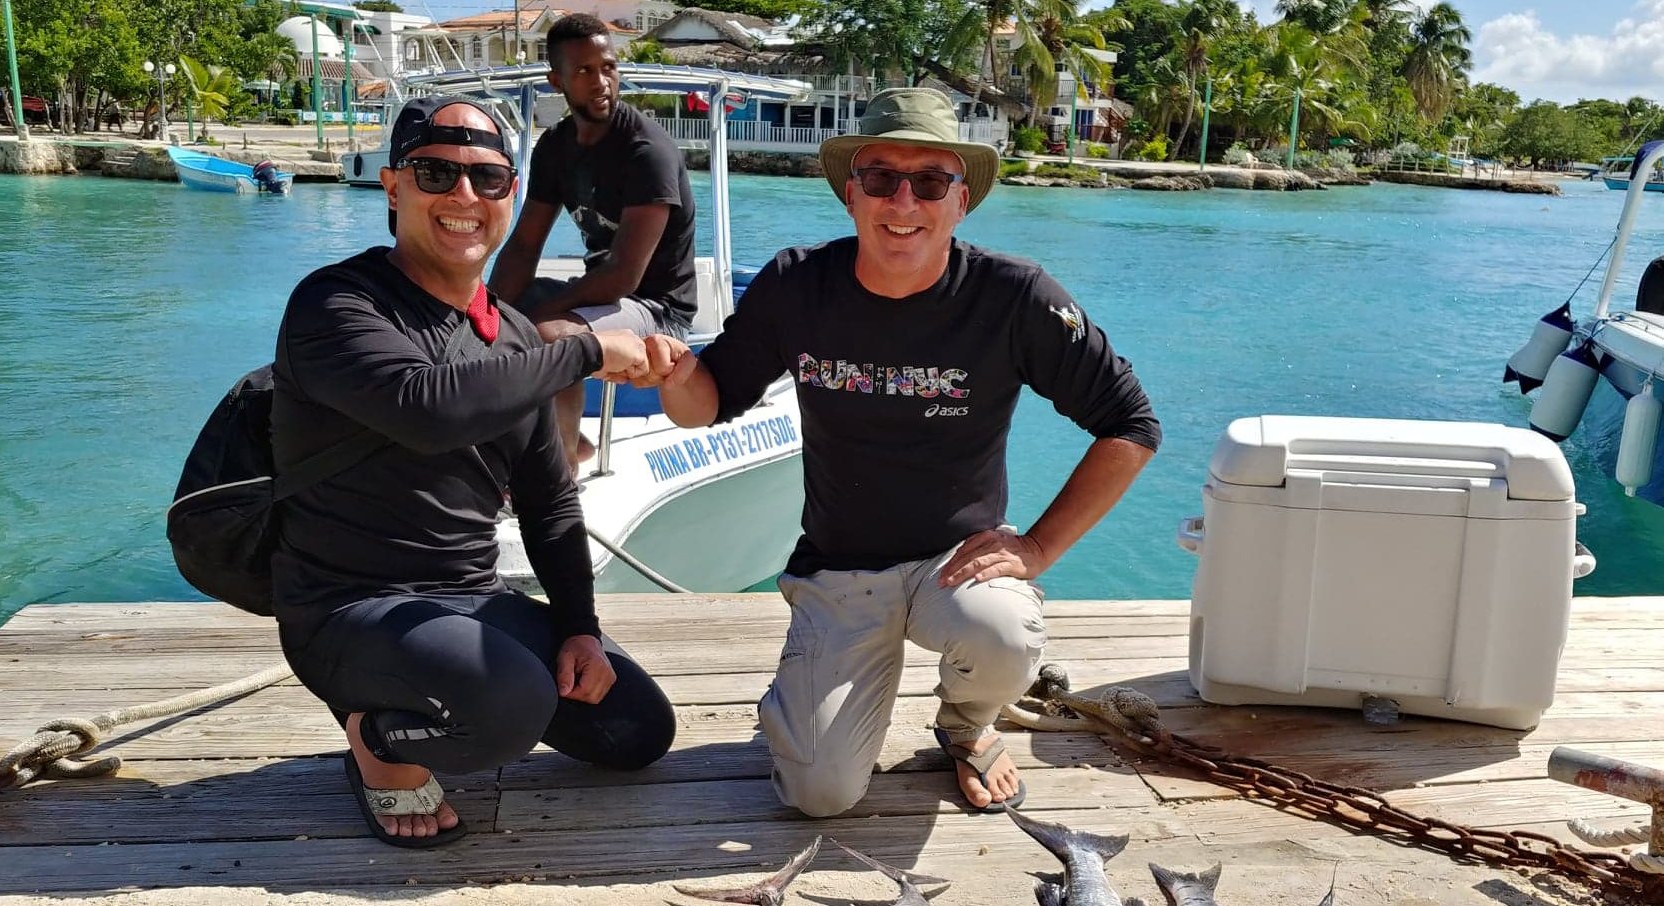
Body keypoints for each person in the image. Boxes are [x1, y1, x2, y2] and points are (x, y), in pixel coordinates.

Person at [633, 88, 1161, 818]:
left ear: (961, 199)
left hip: (957, 568)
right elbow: (709, 402)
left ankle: (967, 726)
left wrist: (1037, 546)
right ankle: (808, 703)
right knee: (819, 793)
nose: (903, 200)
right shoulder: (796, 285)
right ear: (852, 195)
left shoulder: (1015, 297)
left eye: (930, 181)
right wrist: (672, 374)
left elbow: (1130, 424)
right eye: (881, 178)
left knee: (1007, 633)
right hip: (839, 570)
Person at [269, 95, 676, 846]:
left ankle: (460, 692)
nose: (464, 197)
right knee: (510, 707)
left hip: (467, 599)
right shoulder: (337, 305)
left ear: (508, 198)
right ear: (393, 187)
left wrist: (580, 630)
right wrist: (586, 351)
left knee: (637, 730)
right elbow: (430, 409)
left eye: (488, 180)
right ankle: (378, 741)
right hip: (347, 608)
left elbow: (551, 505)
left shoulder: (512, 333)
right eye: (436, 173)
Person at [488, 12, 697, 475]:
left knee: (547, 335)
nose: (601, 81)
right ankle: (571, 441)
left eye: (608, 67)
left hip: (657, 307)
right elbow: (524, 246)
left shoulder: (647, 151)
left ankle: (560, 468)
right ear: (556, 81)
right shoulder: (556, 148)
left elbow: (625, 274)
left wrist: (537, 317)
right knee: (500, 320)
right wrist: (483, 314)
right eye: (583, 71)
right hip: (603, 295)